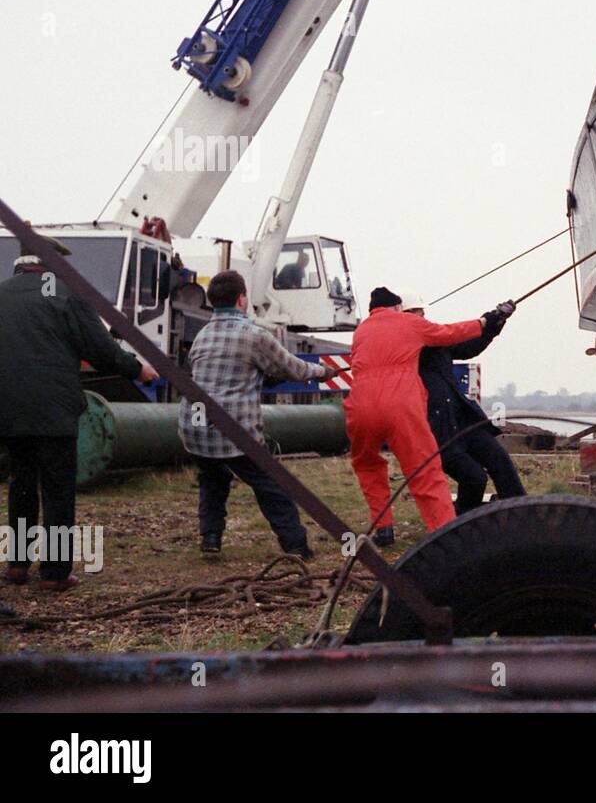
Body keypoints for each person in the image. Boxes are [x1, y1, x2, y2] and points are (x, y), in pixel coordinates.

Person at [0, 233, 159, 592]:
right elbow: (100, 348)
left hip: (8, 412)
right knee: (57, 489)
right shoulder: (66, 293)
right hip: (53, 411)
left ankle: (17, 566)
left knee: (21, 483)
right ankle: (54, 573)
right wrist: (137, 369)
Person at [178, 270, 342, 558]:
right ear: (242, 300)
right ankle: (296, 546)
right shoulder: (254, 335)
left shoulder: (203, 335)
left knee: (213, 479)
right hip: (234, 430)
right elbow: (294, 368)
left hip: (194, 425)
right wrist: (324, 372)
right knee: (271, 485)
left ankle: (211, 539)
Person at [344, 288, 497, 545]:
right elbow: (449, 333)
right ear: (396, 308)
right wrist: (483, 323)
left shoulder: (361, 332)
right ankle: (445, 535)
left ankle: (383, 529)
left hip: (360, 405)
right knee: (425, 471)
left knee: (367, 464)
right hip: (400, 404)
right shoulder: (409, 323)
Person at [400, 293, 525, 516]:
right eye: (420, 311)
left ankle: (524, 515)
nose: (424, 315)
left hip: (463, 421)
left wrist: (496, 323)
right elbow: (454, 333)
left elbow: (468, 347)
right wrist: (488, 319)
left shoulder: (435, 341)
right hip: (438, 430)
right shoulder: (406, 348)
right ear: (406, 315)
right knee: (474, 478)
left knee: (500, 461)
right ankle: (461, 523)